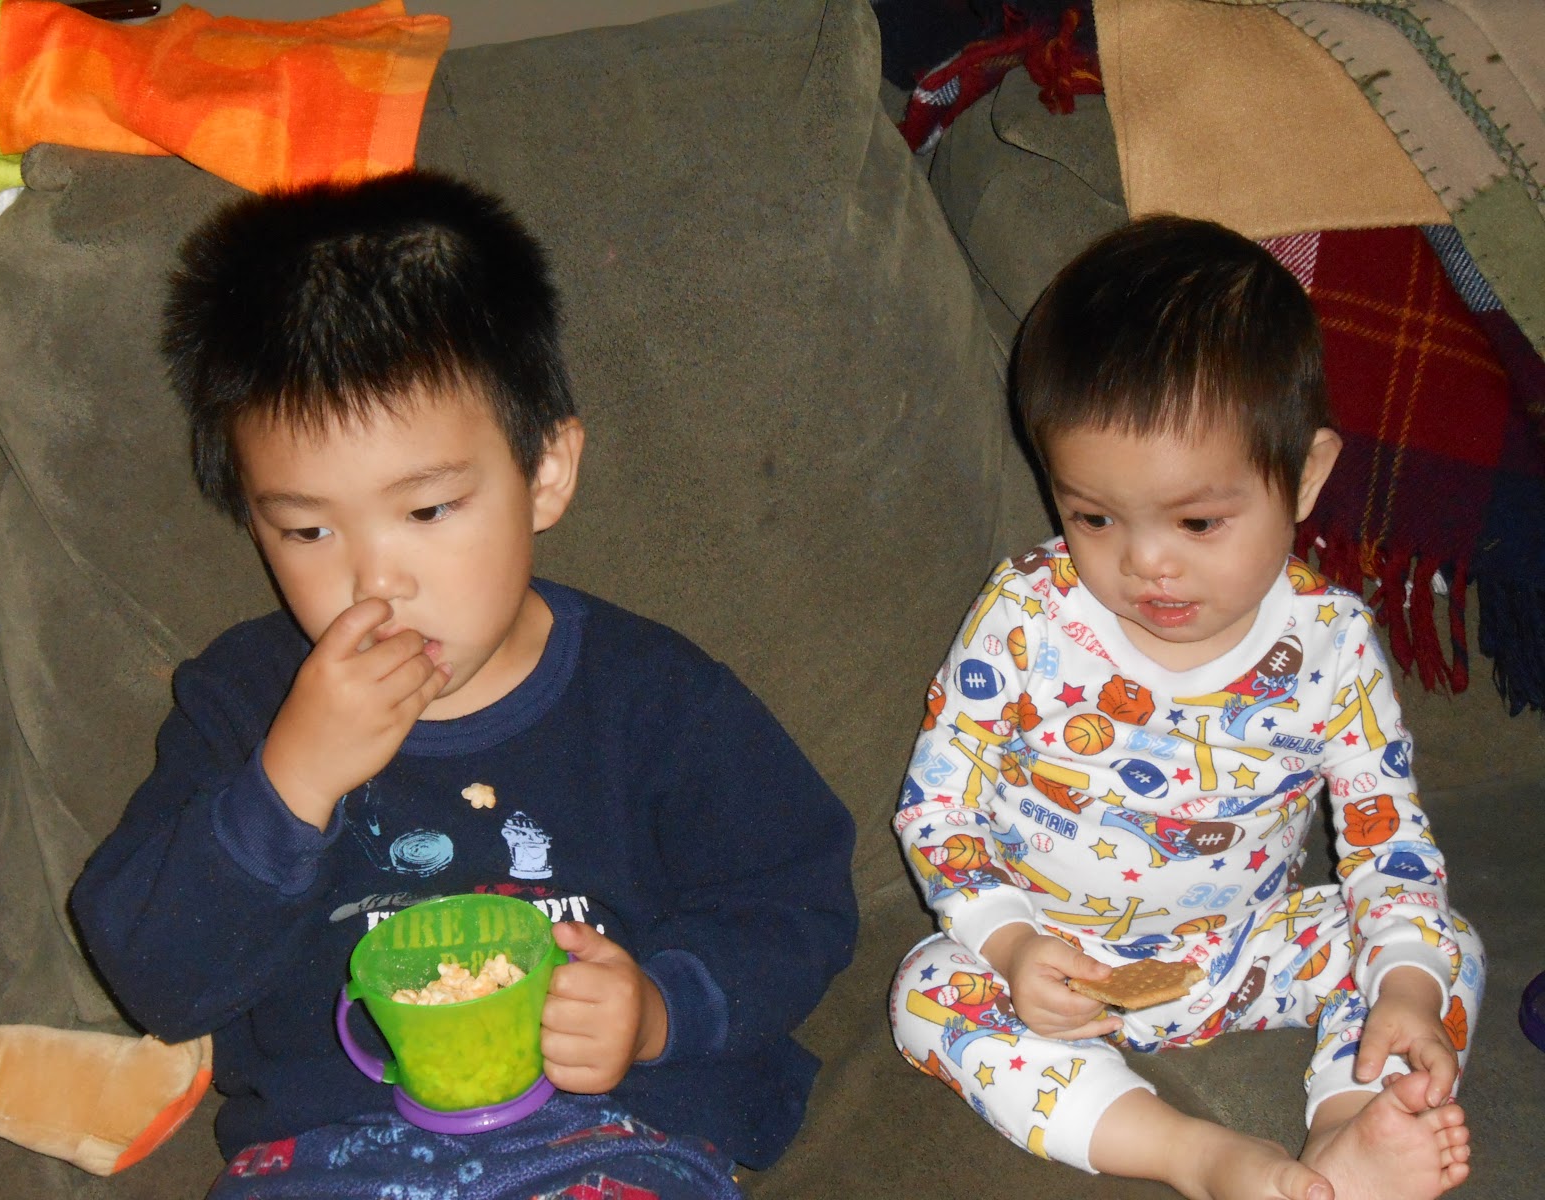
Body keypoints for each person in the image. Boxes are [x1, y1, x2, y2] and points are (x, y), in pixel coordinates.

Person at [71, 169, 857, 1200]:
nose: (374, 581)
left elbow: (794, 894)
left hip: (607, 1135)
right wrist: (289, 784)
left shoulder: (653, 698)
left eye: (427, 510)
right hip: (329, 1154)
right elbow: (156, 980)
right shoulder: (244, 702)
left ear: (545, 474)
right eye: (306, 530)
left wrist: (660, 1009)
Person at [889, 215, 1483, 1200]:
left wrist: (1407, 990)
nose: (1146, 561)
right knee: (925, 994)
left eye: (1198, 521)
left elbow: (1389, 842)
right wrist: (1011, 942)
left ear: (1305, 476)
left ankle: (1349, 1131)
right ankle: (1196, 1156)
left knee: (1436, 948)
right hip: (1050, 955)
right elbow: (937, 808)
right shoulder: (1026, 618)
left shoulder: (1331, 644)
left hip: (1246, 947)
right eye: (1092, 516)